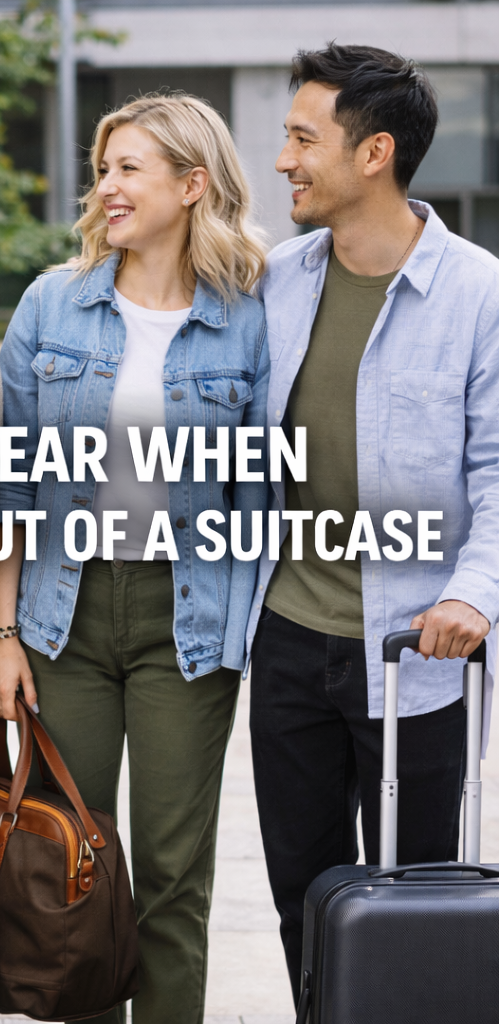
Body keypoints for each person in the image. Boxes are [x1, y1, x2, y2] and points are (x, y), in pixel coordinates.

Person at [0, 93, 269, 1024]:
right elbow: (8, 485)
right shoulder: (50, 305)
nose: (105, 187)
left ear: (193, 185)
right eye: (102, 169)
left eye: (128, 168)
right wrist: (1, 631)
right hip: (63, 610)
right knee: (74, 862)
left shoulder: (250, 318)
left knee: (173, 877)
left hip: (187, 617)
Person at [247, 44, 499, 1002]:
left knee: (419, 893)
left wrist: (473, 595)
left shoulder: (479, 293)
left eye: (304, 139)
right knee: (298, 894)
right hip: (291, 635)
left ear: (374, 153)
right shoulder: (278, 279)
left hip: (419, 649)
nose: (285, 161)